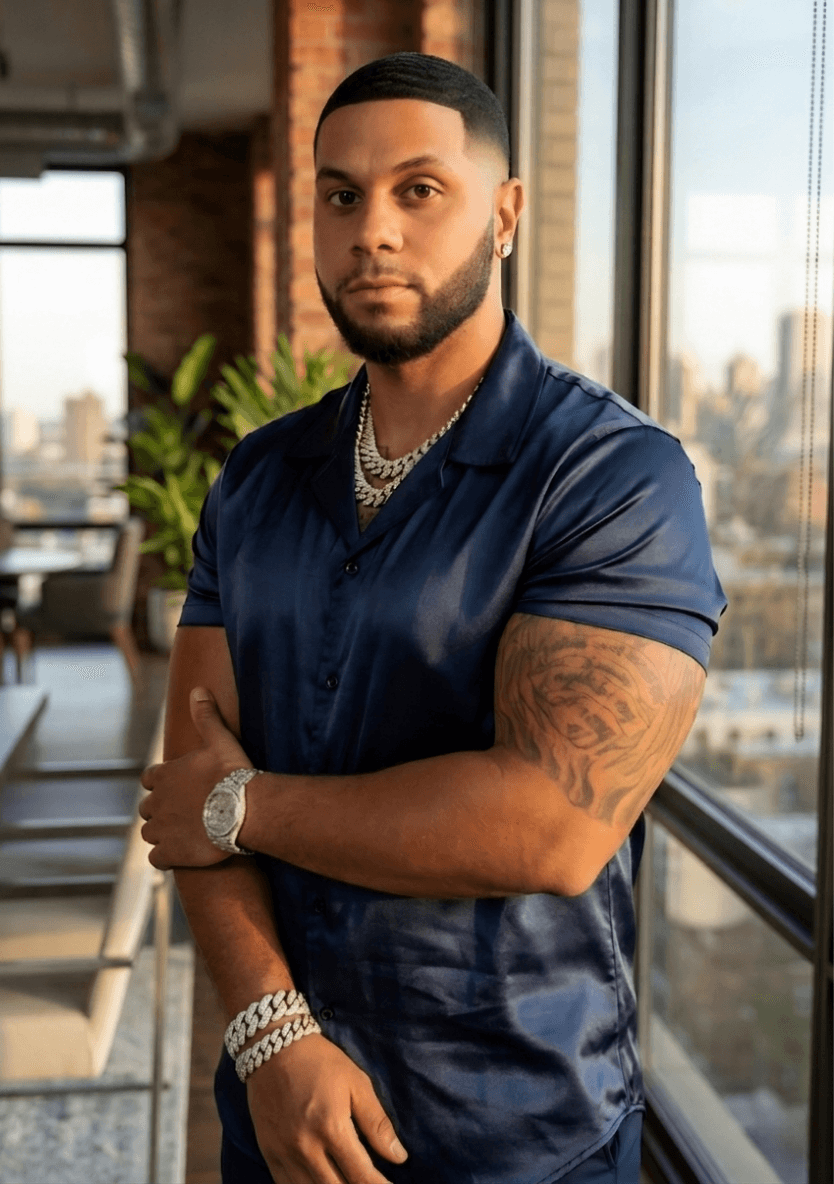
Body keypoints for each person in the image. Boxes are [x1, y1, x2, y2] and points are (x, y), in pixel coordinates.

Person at [138, 52, 727, 1184]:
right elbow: (184, 790)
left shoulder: (612, 476)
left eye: (420, 190)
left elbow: (550, 823)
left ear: (504, 215)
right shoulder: (257, 478)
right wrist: (271, 1035)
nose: (374, 231)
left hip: (521, 1133)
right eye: (342, 194)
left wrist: (241, 801)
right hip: (279, 1114)